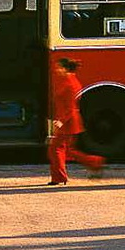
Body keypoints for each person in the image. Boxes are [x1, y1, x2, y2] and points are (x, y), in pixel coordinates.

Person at [47, 57, 105, 185]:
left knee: (55, 149)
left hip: (68, 122)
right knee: (65, 150)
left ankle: (60, 177)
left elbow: (70, 106)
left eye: (59, 68)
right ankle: (94, 162)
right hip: (68, 121)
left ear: (65, 69)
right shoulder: (69, 81)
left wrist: (61, 121)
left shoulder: (70, 83)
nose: (57, 70)